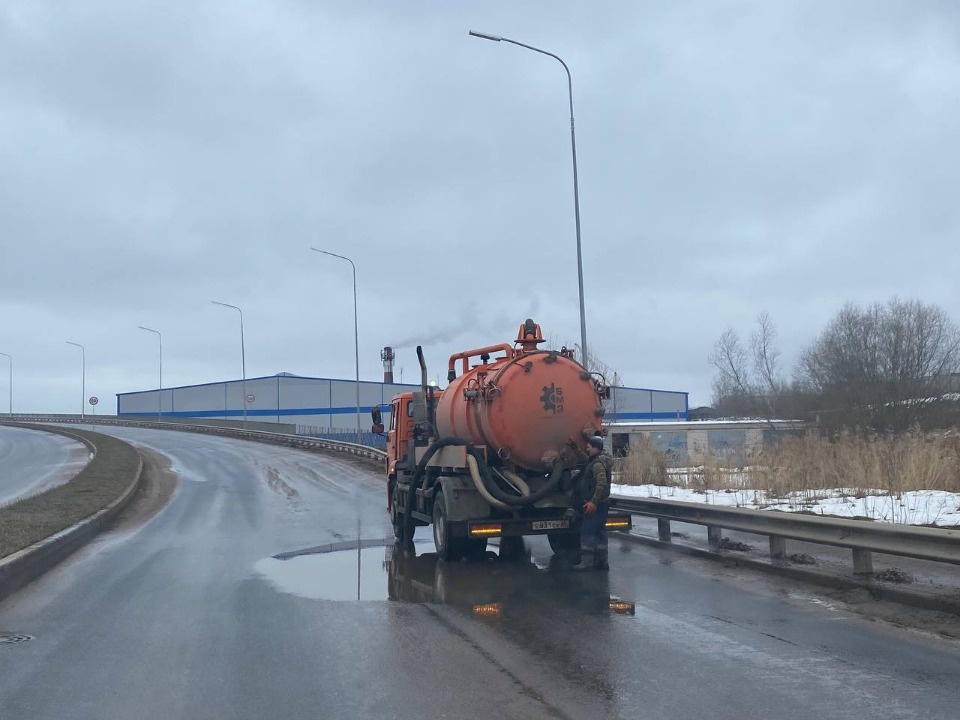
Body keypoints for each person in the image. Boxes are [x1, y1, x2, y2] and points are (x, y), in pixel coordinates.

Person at [571, 435, 612, 571]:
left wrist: (593, 502)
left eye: (588, 448)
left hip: (596, 504)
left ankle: (587, 563)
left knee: (587, 532)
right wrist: (575, 448)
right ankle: (602, 562)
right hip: (602, 503)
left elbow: (601, 483)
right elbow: (586, 460)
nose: (587, 450)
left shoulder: (598, 465)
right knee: (600, 532)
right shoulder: (598, 460)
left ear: (595, 448)